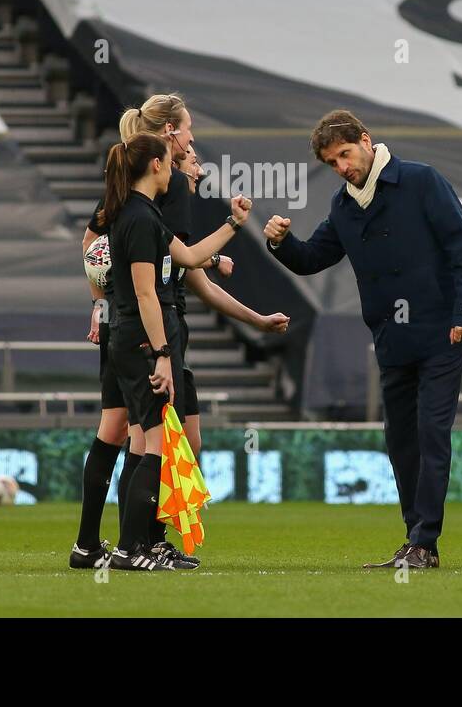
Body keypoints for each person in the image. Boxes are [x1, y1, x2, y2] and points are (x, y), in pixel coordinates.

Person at [263, 110, 462, 569]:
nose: (342, 166)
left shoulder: (422, 181)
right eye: (331, 162)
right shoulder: (343, 206)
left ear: (366, 141)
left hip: (442, 330)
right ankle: (416, 540)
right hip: (391, 337)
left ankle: (424, 541)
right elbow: (310, 259)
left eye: (345, 153)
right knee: (400, 439)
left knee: (430, 432)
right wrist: (281, 242)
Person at [70, 97, 287, 570]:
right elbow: (169, 271)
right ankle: (140, 544)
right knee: (161, 438)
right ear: (169, 137)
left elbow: (106, 248)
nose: (192, 141)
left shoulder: (127, 191)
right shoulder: (161, 192)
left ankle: (96, 543)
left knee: (125, 433)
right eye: (187, 132)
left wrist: (101, 303)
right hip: (152, 326)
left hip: (130, 323)